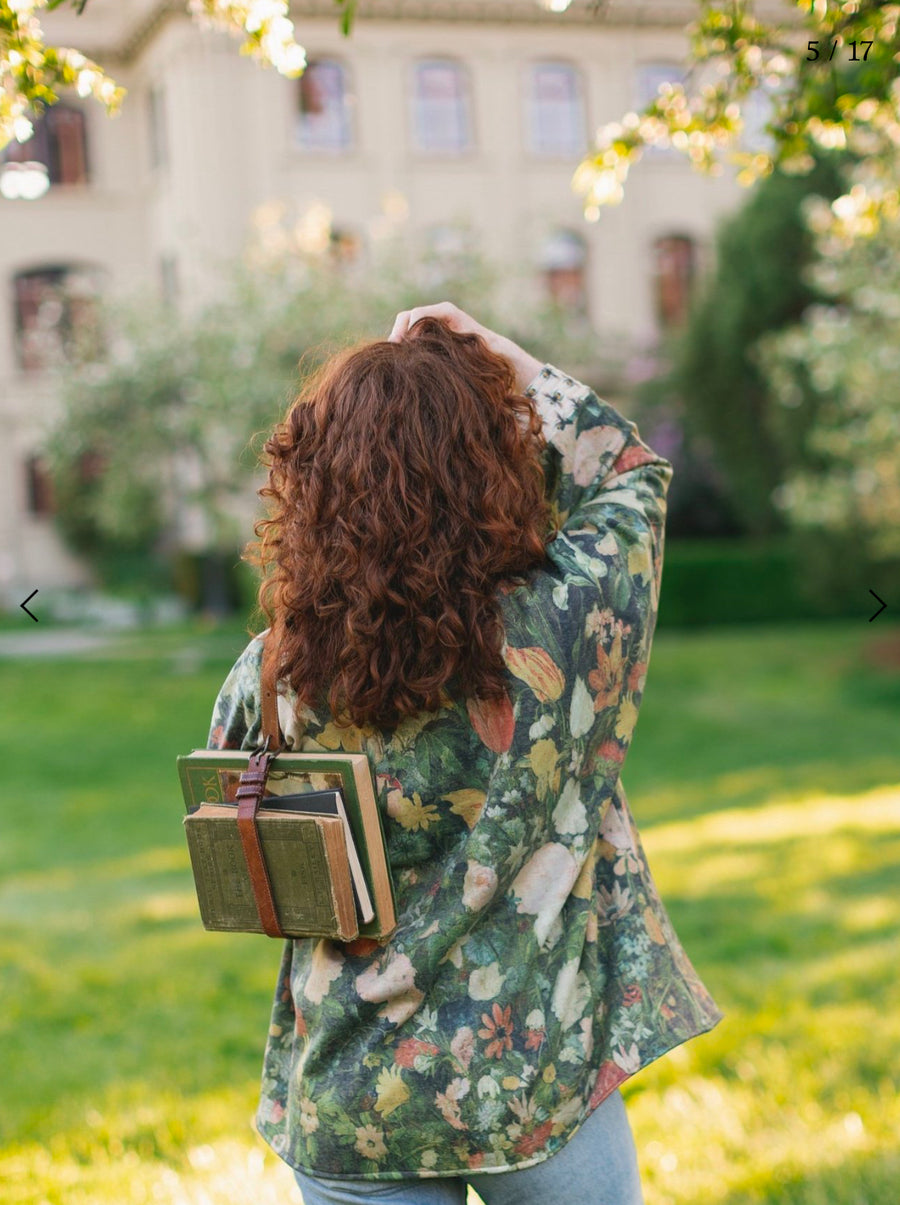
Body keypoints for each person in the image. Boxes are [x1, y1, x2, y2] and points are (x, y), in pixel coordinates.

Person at [206, 302, 724, 1204]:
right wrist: (508, 360)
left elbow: (232, 794)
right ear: (490, 468)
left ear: (317, 486)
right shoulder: (558, 630)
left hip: (353, 1095)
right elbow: (631, 471)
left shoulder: (277, 671)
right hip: (534, 1077)